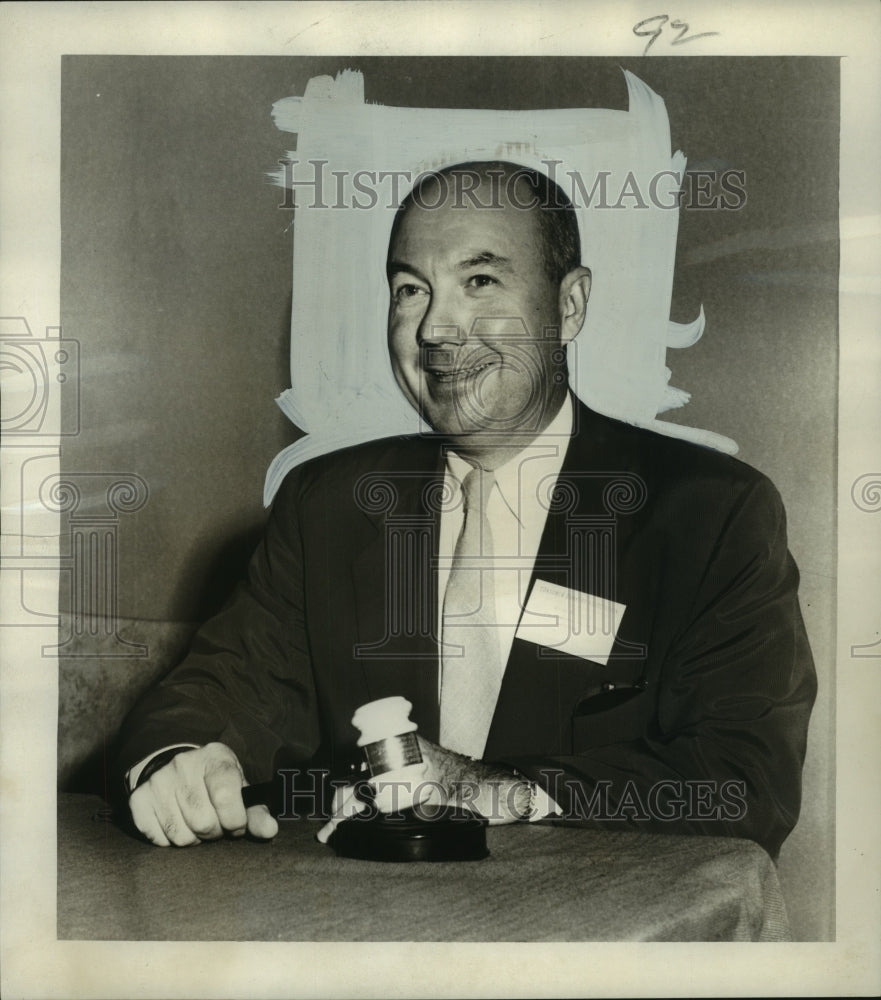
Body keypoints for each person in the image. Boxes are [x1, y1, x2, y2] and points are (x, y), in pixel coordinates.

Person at [113, 162, 816, 857]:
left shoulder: (709, 512)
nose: (436, 330)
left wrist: (497, 790)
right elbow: (225, 686)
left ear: (567, 307)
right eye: (410, 290)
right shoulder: (327, 503)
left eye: (479, 282)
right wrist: (181, 761)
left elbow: (747, 780)